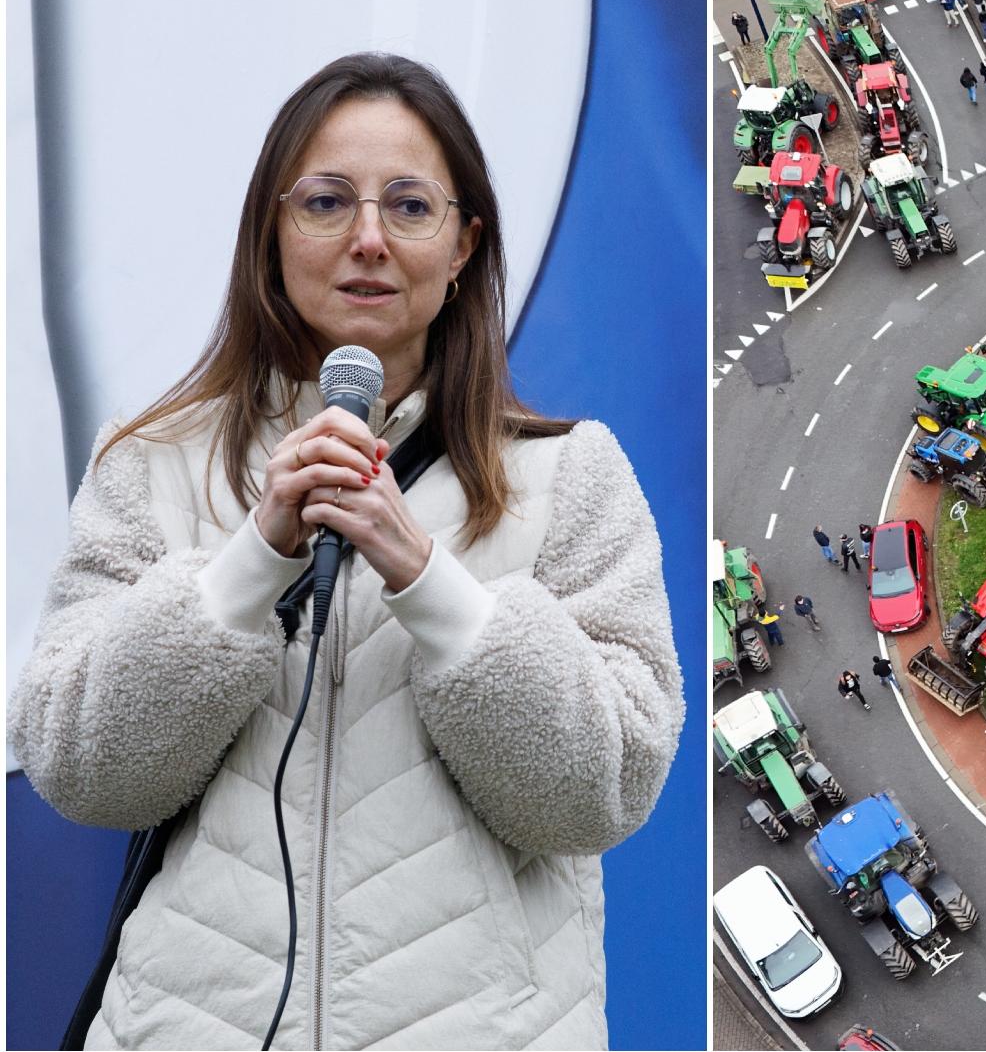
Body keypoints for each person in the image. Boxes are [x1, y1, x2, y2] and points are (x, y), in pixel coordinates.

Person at [9, 52, 683, 1050]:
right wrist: (247, 567)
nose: (367, 239)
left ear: (465, 246)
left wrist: (428, 578)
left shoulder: (572, 475)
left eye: (409, 206)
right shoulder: (151, 462)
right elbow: (77, 768)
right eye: (326, 201)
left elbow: (604, 792)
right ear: (272, 232)